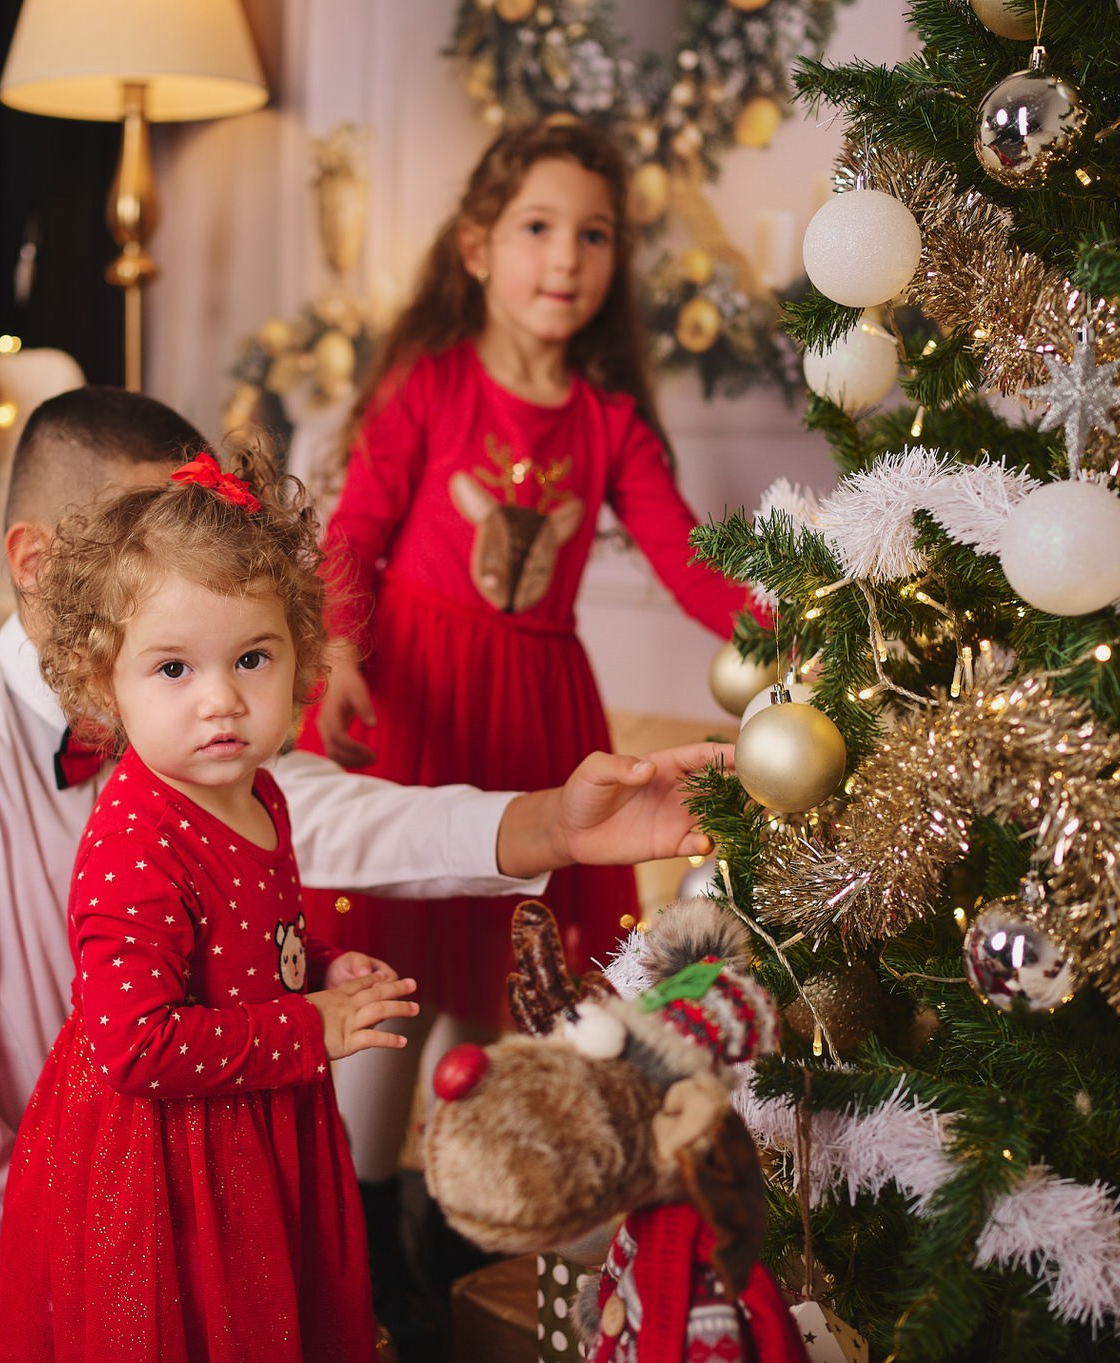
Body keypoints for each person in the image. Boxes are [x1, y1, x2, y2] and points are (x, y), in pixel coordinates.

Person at [0, 387, 728, 1363]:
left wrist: (557, 822)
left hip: (145, 1154)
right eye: (154, 540)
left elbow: (351, 819)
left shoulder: (205, 739)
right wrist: (84, 1264)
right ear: (42, 566)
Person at [297, 119, 759, 1322]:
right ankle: (360, 1223)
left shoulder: (607, 420)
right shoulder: (429, 385)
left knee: (497, 977)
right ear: (474, 247)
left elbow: (687, 562)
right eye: (537, 229)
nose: (566, 258)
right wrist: (338, 651)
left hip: (536, 712)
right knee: (394, 961)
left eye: (592, 235)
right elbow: (352, 533)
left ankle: (462, 1215)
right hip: (415, 697)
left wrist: (778, 627)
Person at [0, 442, 412, 1361]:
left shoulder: (261, 791)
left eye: (252, 657)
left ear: (302, 658)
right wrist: (312, 1029)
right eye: (173, 669)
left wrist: (325, 968)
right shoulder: (136, 837)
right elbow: (134, 1043)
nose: (222, 700)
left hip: (258, 1121)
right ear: (107, 682)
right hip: (167, 1163)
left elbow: (253, 948)